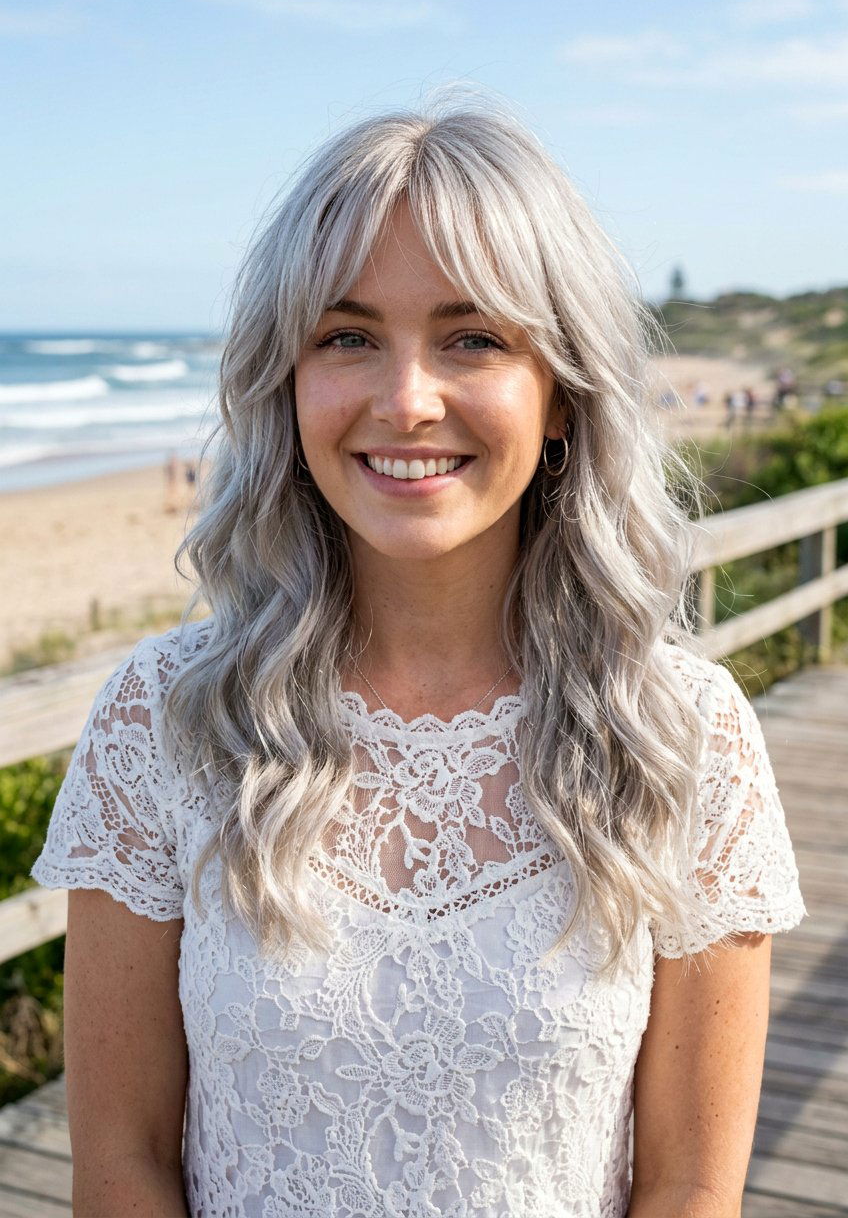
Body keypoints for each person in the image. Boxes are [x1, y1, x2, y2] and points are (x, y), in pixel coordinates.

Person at [30, 93, 807, 1217]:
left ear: (561, 397)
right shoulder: (163, 720)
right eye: (346, 337)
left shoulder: (685, 734)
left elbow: (689, 1185)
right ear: (285, 381)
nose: (404, 401)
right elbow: (121, 1162)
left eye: (472, 338)